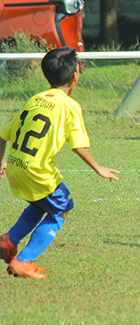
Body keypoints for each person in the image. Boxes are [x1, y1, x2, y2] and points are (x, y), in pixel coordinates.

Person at [0, 48, 119, 279]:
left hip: (17, 166)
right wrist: (99, 168)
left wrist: (1, 161)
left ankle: (9, 240)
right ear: (75, 75)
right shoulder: (69, 106)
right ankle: (23, 261)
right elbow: (78, 146)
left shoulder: (35, 99)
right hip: (38, 171)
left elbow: (3, 133)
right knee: (61, 210)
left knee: (40, 203)